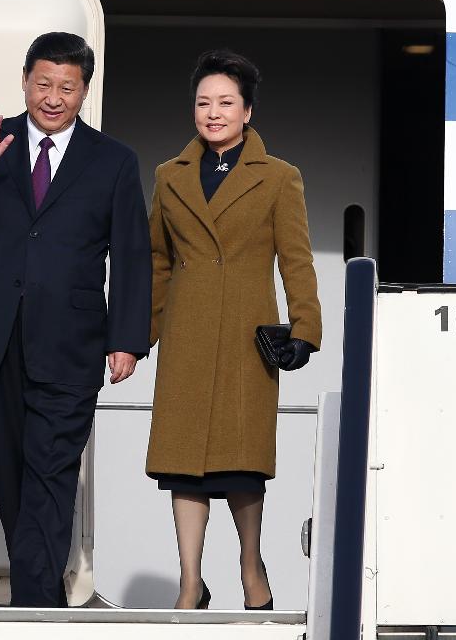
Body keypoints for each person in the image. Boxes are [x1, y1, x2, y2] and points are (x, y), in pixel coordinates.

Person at [0, 32, 151, 608]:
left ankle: (32, 613)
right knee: (11, 476)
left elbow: (130, 254)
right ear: (24, 82)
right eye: (44, 84)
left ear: (84, 92)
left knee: (50, 472)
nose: (53, 97)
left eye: (67, 88)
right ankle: (41, 596)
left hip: (71, 344)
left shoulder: (114, 161)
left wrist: (127, 339)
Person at [146, 50, 321, 611]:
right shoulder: (168, 177)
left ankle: (251, 563)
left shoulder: (279, 177)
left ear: (247, 111)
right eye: (203, 102)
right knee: (184, 464)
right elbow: (156, 261)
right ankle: (190, 582)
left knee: (242, 460)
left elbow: (297, 259)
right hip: (188, 330)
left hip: (249, 332)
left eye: (225, 103)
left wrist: (305, 329)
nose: (213, 113)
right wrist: (137, 336)